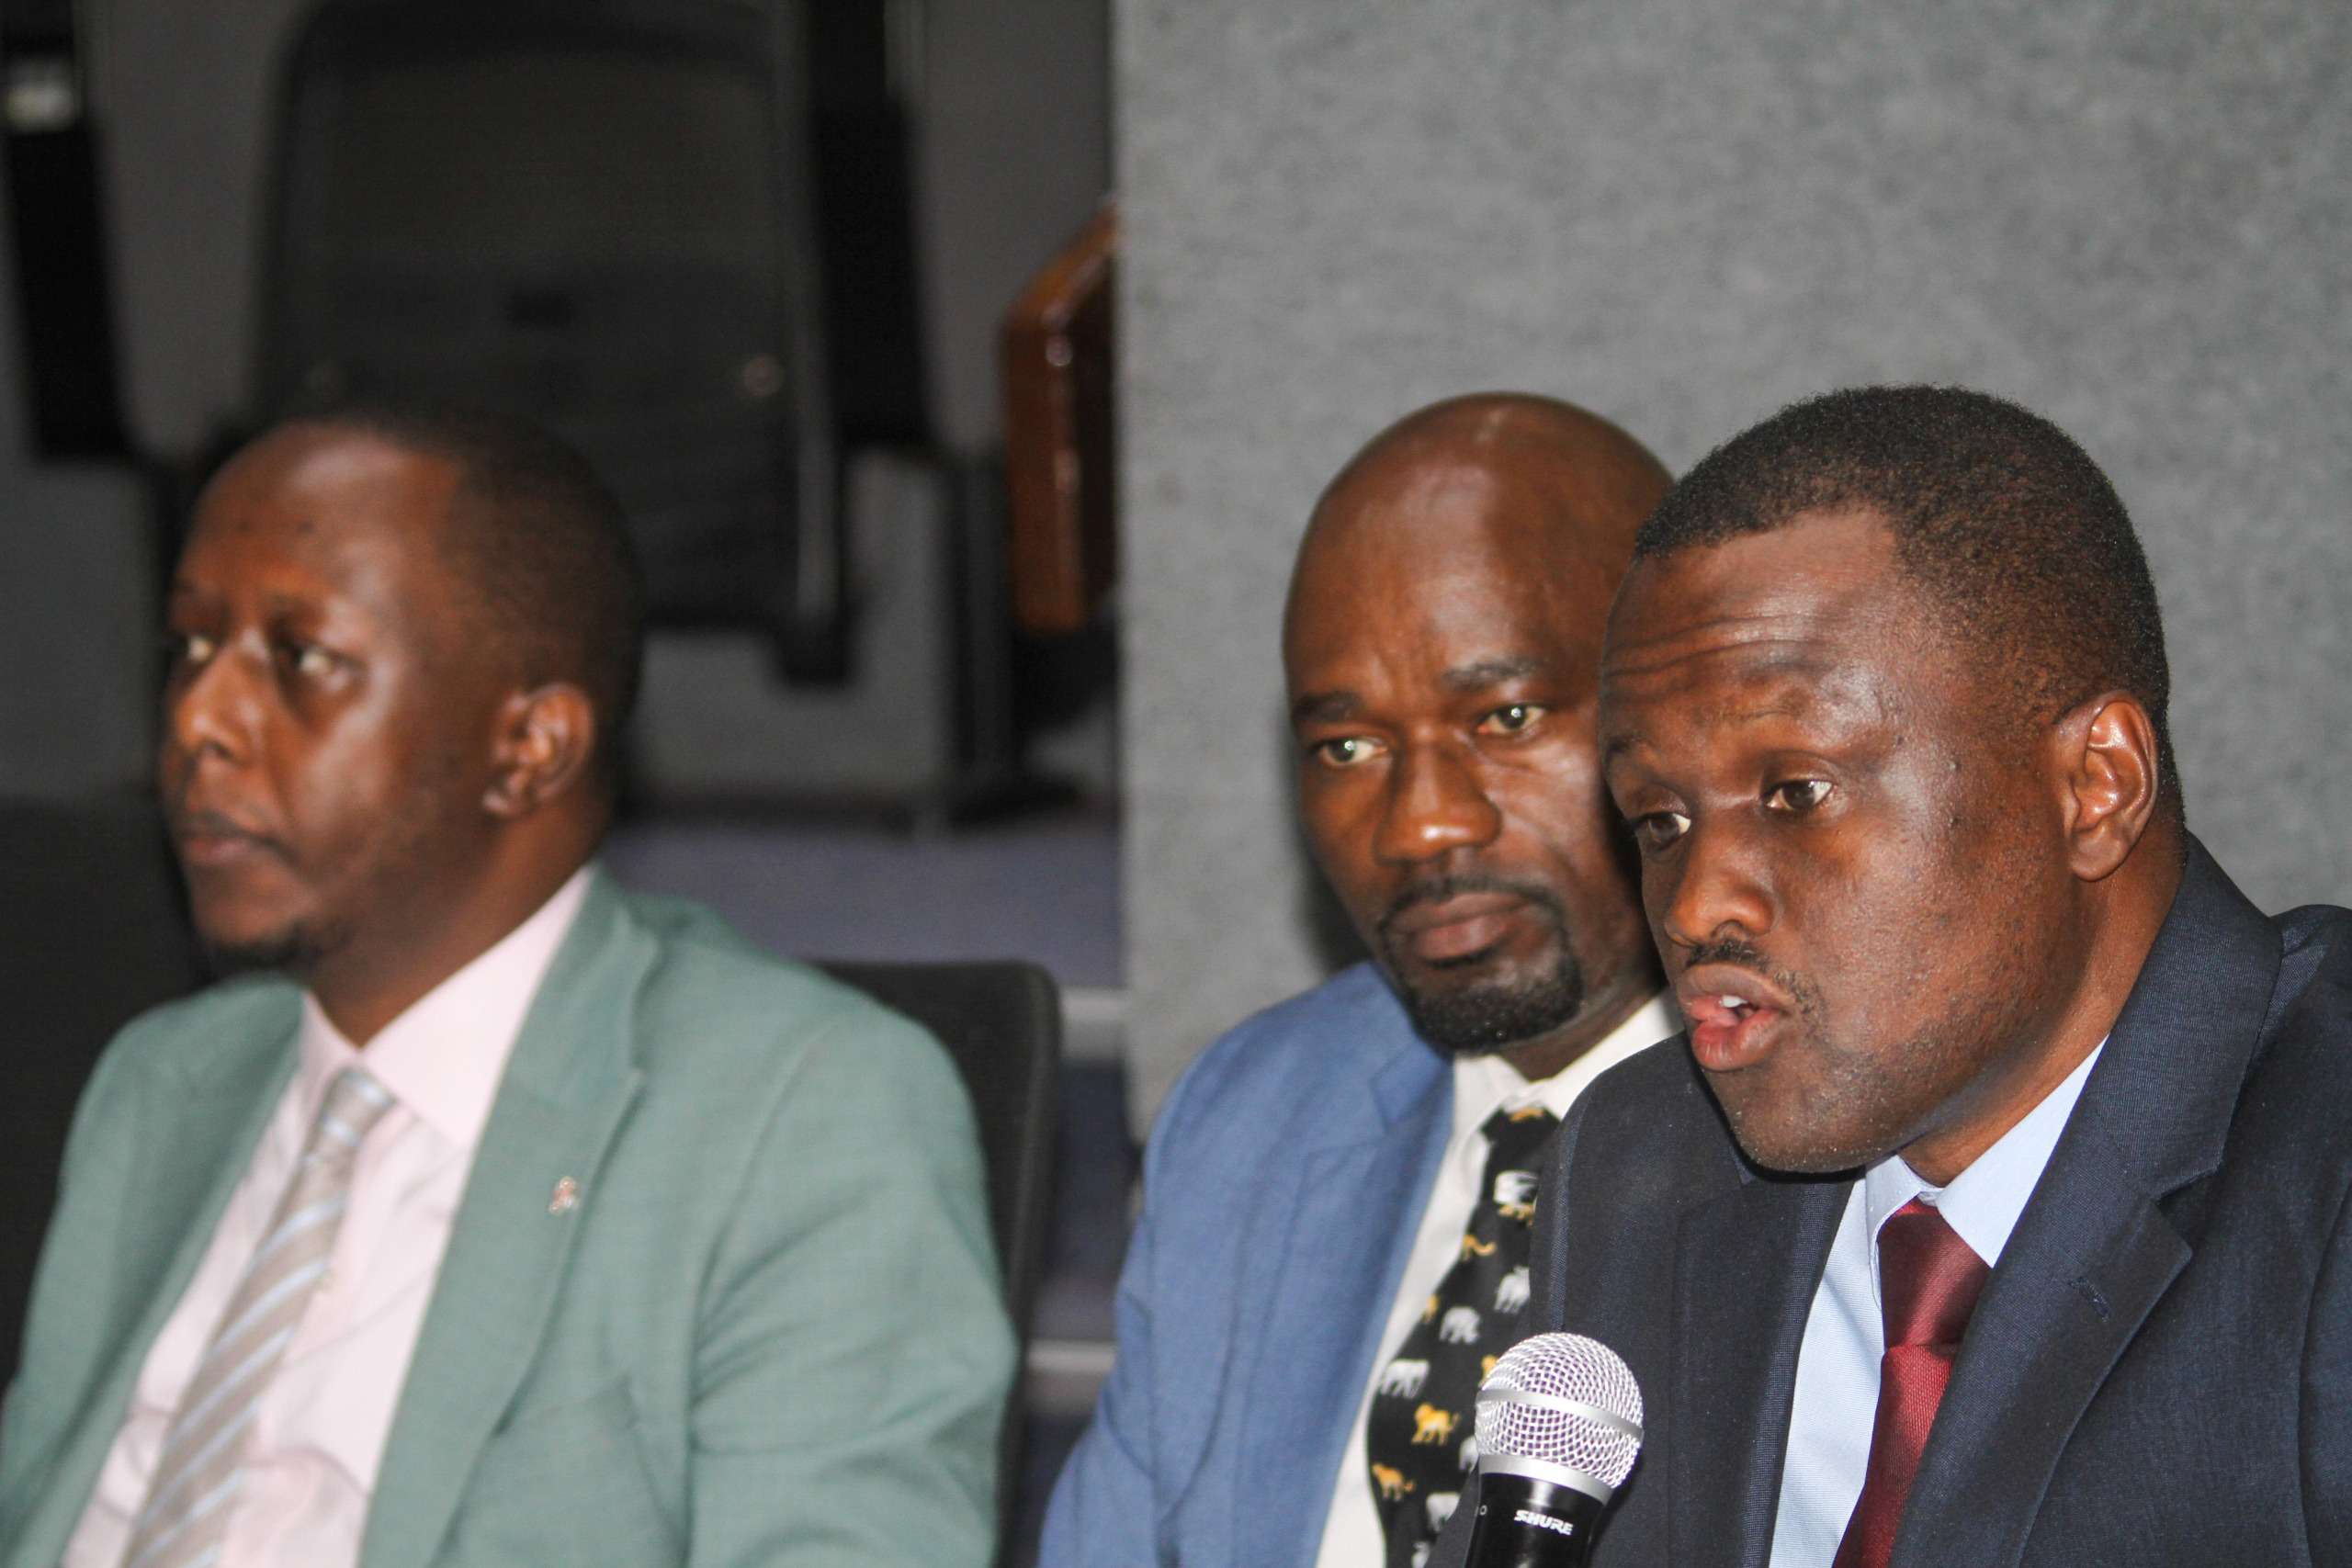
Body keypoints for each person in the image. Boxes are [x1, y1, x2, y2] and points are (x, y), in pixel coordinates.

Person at [0, 406, 1014, 1566]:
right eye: (190, 646)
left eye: (303, 659)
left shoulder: (798, 1119)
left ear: (530, 748)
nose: (199, 719)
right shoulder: (168, 1081)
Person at [1435, 385, 2352, 1568]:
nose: (1697, 905)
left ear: (2096, 785)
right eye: (1658, 820)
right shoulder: (1646, 1160)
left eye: (1795, 794)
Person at [1042, 393, 1679, 1568]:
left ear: (1684, 708)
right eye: (1347, 748)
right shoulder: (1258, 1113)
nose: (1419, 824)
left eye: (1505, 716)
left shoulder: (1849, 1150)